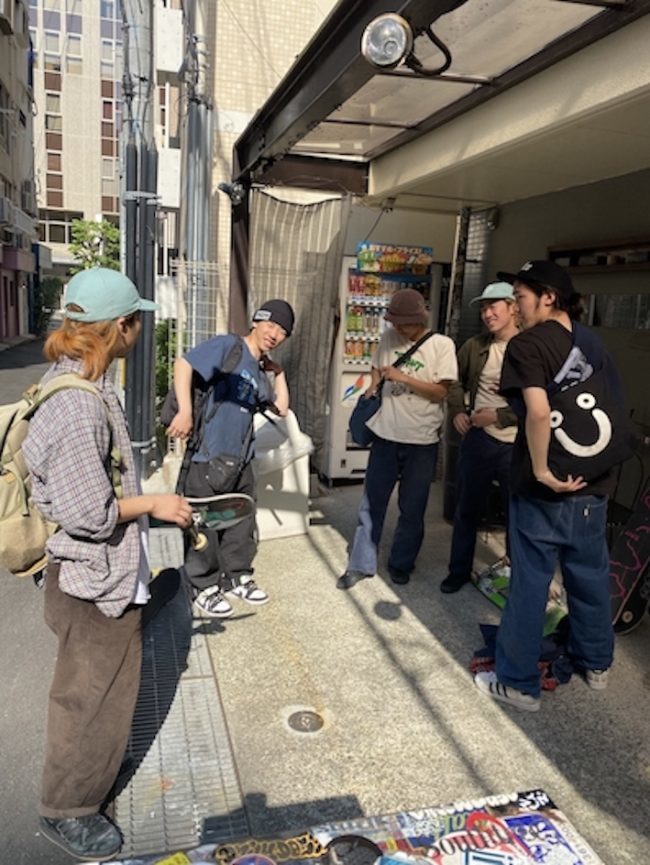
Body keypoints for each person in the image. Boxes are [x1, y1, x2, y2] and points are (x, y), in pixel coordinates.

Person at [22, 268, 193, 861]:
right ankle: (66, 810)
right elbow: (89, 514)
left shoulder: (81, 383)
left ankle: (90, 773)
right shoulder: (78, 406)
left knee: (104, 694)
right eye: (136, 320)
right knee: (87, 700)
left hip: (97, 576)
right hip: (90, 582)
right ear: (121, 327)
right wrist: (154, 505)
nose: (139, 330)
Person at [474, 260, 618, 712]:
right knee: (589, 577)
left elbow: (536, 412)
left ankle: (518, 684)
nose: (515, 306)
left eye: (520, 297)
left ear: (548, 297)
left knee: (530, 584)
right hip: (592, 482)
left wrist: (540, 470)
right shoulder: (591, 341)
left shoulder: (527, 345)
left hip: (545, 488)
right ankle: (596, 663)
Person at [167, 299, 293, 617]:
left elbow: (281, 408)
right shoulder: (229, 346)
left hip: (241, 458)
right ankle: (203, 586)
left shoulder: (260, 371)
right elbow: (183, 364)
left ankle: (237, 577)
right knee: (204, 521)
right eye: (271, 325)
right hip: (208, 453)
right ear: (256, 321)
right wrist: (185, 412)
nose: (274, 334)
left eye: (282, 331)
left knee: (240, 520)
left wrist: (278, 373)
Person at [337, 288, 457, 589]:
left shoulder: (442, 345)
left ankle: (401, 563)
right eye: (394, 322)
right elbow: (376, 369)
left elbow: (441, 392)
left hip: (422, 440)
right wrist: (372, 388)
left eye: (404, 323)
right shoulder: (389, 337)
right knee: (371, 505)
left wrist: (403, 378)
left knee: (412, 509)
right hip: (385, 435)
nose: (398, 328)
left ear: (420, 319)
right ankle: (361, 564)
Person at [441, 282, 519, 593]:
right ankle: (458, 571)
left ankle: (517, 575)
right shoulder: (475, 346)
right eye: (484, 308)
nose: (487, 314)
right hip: (479, 439)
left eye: (493, 306)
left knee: (517, 513)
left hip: (519, 444)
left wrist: (500, 415)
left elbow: (543, 401)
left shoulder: (531, 348)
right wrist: (458, 411)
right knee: (466, 508)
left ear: (513, 307)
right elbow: (453, 380)